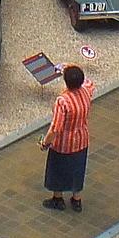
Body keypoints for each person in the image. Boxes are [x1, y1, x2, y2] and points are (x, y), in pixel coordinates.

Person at [38, 64, 94, 211]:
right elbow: (88, 81)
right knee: (77, 169)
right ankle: (76, 199)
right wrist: (69, 67)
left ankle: (57, 199)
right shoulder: (86, 91)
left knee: (57, 169)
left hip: (63, 143)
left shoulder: (62, 101)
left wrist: (45, 143)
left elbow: (55, 128)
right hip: (81, 139)